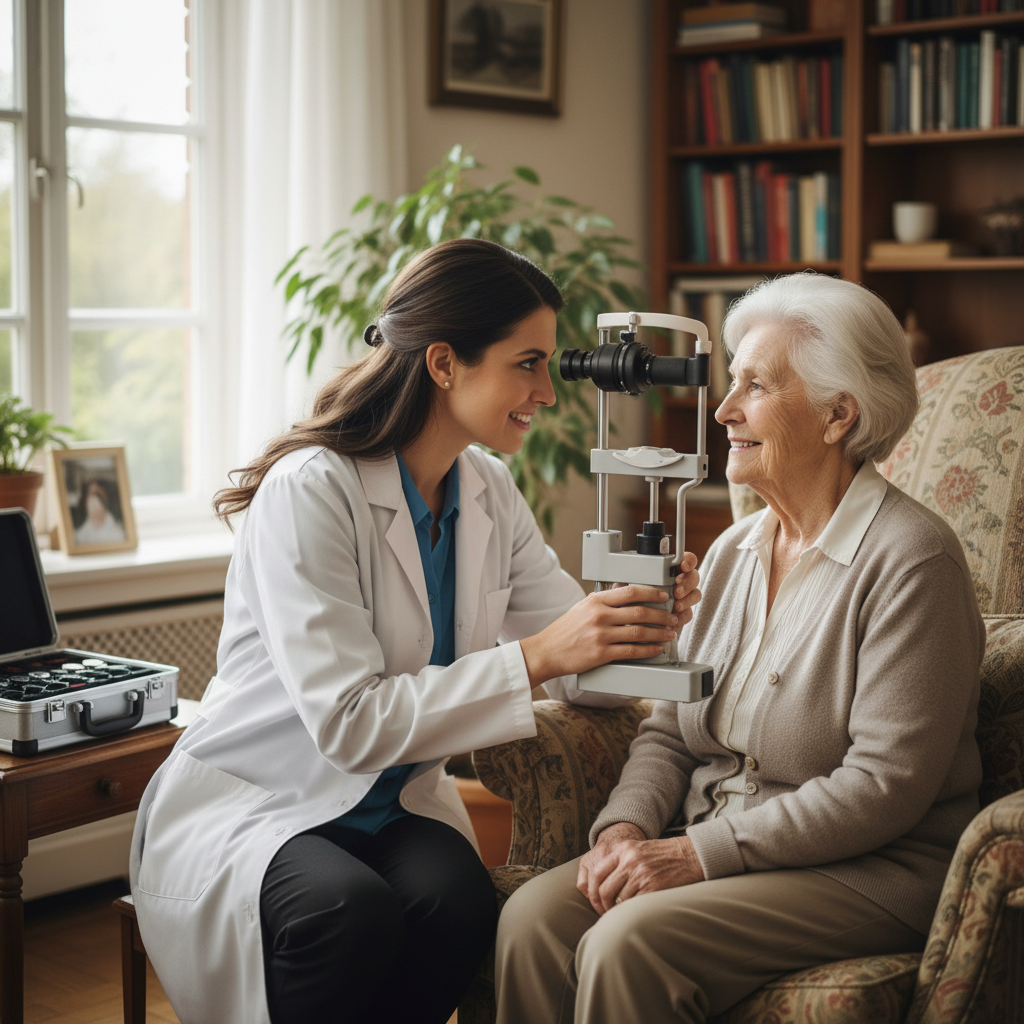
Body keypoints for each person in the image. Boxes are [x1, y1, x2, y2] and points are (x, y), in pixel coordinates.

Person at [128, 238, 703, 1024]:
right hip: (263, 798)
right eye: (527, 364)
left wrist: (640, 624)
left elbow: (577, 675)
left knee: (460, 901)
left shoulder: (488, 490)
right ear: (443, 363)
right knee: (346, 910)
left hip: (392, 803)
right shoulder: (312, 490)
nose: (549, 393)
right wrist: (542, 653)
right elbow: (350, 725)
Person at [494, 272, 985, 1024]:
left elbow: (883, 785)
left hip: (863, 870)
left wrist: (694, 854)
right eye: (732, 383)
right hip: (722, 842)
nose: (722, 411)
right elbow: (670, 728)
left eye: (755, 386)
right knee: (533, 920)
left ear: (837, 416)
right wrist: (625, 828)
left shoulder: (913, 560)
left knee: (629, 943)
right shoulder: (732, 550)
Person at [72, 477, 126, 545]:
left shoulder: (121, 532)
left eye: (98, 494)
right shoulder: (78, 536)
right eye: (91, 494)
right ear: (84, 501)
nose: (95, 500)